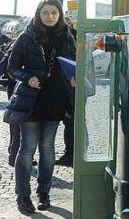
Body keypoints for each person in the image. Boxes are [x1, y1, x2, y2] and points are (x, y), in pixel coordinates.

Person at [5, 0, 76, 214]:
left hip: (56, 100)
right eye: (46, 12)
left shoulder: (67, 36)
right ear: (39, 13)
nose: (50, 17)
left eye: (54, 12)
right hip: (31, 101)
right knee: (27, 150)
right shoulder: (26, 37)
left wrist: (74, 77)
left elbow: (75, 63)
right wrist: (27, 78)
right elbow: (11, 67)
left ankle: (44, 194)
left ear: (60, 14)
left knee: (48, 149)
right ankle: (23, 198)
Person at [56, 17, 77, 167]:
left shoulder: (69, 37)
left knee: (71, 121)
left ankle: (71, 153)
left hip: (68, 84)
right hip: (57, 84)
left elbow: (76, 58)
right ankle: (69, 153)